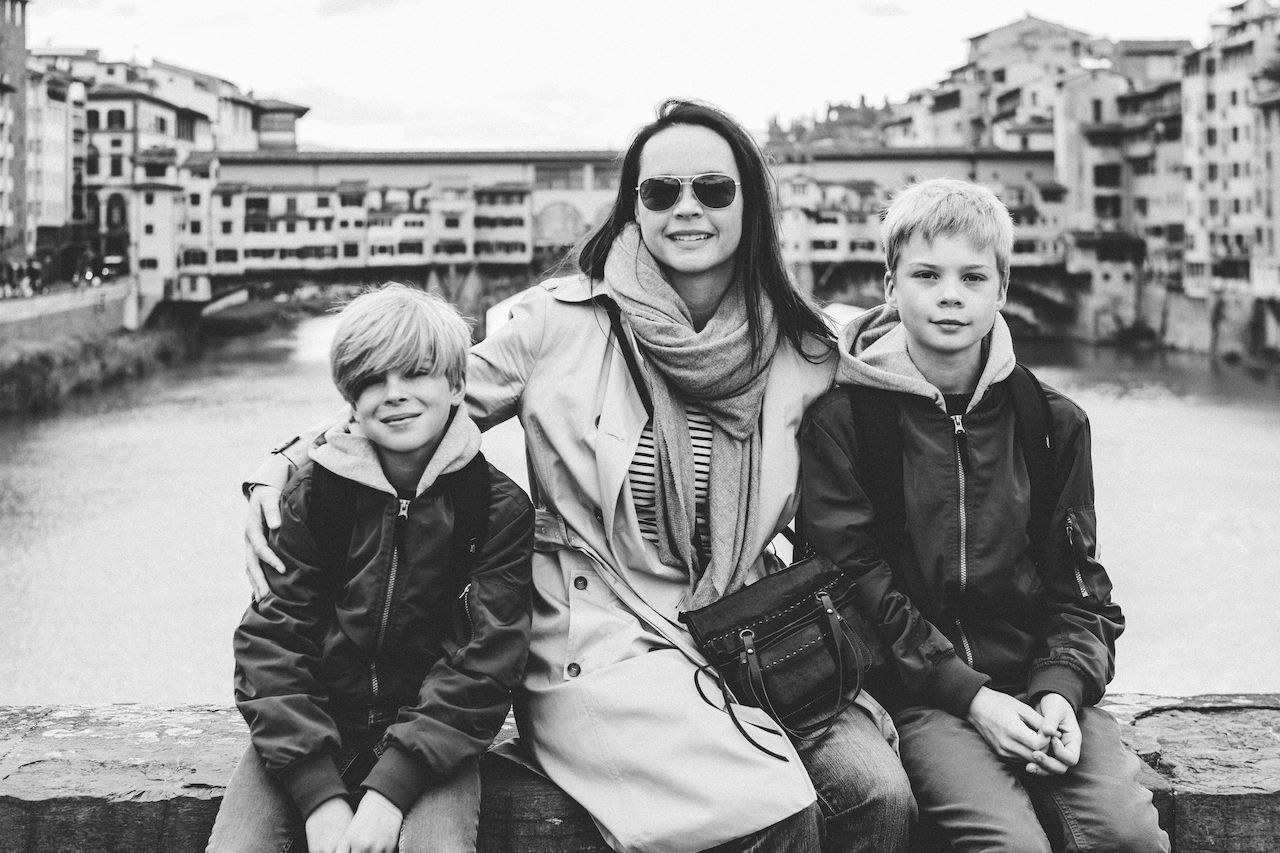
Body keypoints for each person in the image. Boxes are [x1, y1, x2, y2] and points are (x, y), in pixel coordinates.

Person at [243, 99, 914, 853]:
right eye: (660, 192)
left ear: (751, 202)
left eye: (712, 190)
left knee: (878, 796)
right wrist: (289, 459)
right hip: (598, 645)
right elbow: (416, 398)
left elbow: (921, 358)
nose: (685, 208)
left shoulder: (802, 346)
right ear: (634, 206)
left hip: (748, 635)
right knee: (770, 809)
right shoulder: (556, 323)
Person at [797, 178, 1169, 852]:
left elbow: (1082, 592)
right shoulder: (846, 422)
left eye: (973, 276)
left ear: (1001, 289)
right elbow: (855, 589)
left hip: (1041, 684)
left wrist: (1061, 689)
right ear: (890, 285)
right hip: (919, 695)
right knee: (1009, 845)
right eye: (926, 274)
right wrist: (971, 695)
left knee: (1128, 835)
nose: (949, 293)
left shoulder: (1053, 423)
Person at [209, 284, 535, 853]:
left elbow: (485, 662)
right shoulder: (314, 496)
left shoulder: (496, 508)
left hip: (434, 740)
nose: (394, 396)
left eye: (415, 375)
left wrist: (390, 792)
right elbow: (271, 643)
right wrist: (319, 796)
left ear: (457, 385)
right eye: (371, 381)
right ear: (349, 397)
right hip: (311, 728)